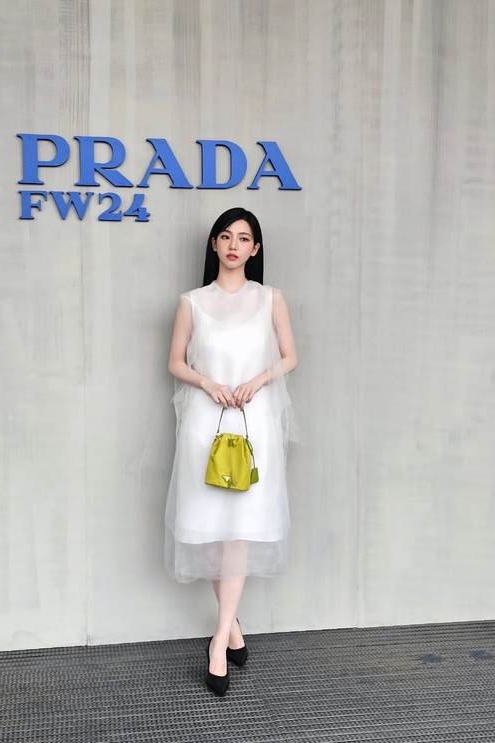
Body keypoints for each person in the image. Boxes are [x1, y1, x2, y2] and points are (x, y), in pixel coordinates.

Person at [165, 207, 298, 697]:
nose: (234, 245)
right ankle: (234, 629)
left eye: (244, 238)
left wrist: (258, 381)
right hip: (207, 423)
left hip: (253, 422)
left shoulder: (270, 299)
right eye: (226, 237)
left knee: (239, 531)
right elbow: (175, 362)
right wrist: (207, 382)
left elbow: (290, 356)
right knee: (212, 532)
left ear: (255, 248)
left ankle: (219, 643)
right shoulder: (192, 302)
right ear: (214, 245)